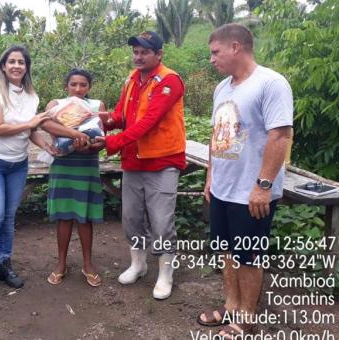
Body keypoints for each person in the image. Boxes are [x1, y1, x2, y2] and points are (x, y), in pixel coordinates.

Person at [197, 23, 293, 338]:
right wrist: (211, 176)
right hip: (223, 187)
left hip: (252, 191)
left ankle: (247, 318)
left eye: (215, 52)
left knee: (248, 255)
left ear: (236, 47)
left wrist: (263, 186)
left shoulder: (271, 83)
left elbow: (280, 136)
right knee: (226, 251)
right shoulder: (222, 88)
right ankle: (231, 305)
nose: (211, 59)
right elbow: (217, 135)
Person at [95, 31, 186, 300]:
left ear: (159, 54)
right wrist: (98, 120)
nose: (138, 56)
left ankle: (166, 274)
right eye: (135, 51)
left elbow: (148, 122)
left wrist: (111, 142)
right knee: (131, 218)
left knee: (161, 221)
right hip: (134, 161)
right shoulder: (132, 79)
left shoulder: (169, 81)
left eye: (144, 52)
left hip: (162, 161)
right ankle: (139, 264)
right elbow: (122, 115)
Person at [0, 45, 55, 288]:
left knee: (8, 217)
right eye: (12, 61)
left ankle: (4, 264)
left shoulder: (32, 96)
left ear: (27, 67)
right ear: (3, 66)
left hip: (17, 164)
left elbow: (30, 131)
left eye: (22, 62)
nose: (17, 66)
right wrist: (32, 122)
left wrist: (46, 145)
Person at [41, 69, 105, 287]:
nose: (78, 89)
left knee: (85, 217)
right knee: (64, 216)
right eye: (73, 84)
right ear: (66, 86)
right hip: (63, 165)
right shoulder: (55, 104)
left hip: (86, 165)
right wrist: (76, 135)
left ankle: (88, 264)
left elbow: (100, 139)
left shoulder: (97, 106)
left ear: (89, 87)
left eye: (83, 84)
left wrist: (88, 146)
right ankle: (61, 264)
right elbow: (46, 124)